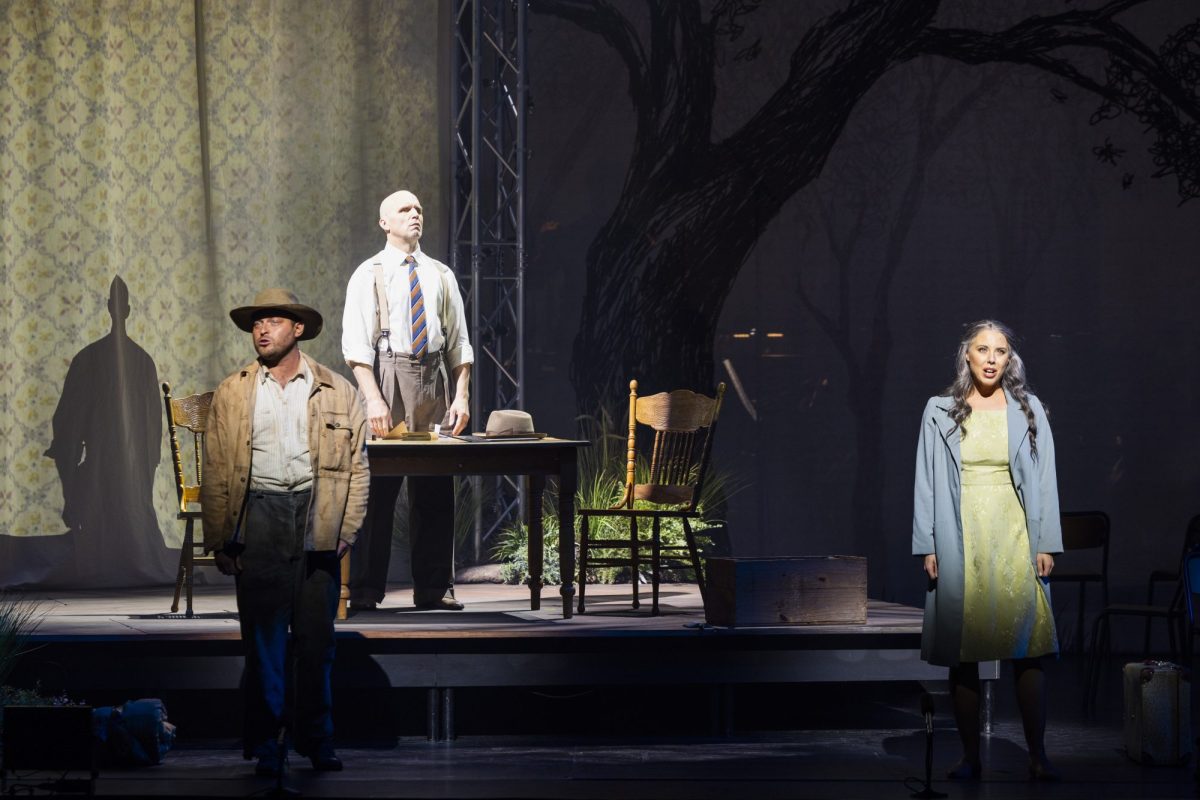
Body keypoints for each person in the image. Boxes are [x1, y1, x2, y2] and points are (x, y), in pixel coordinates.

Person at [202, 288, 369, 777]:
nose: (262, 329)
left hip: (316, 517)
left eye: (273, 320)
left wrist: (348, 529)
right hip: (260, 517)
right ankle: (269, 743)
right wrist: (222, 537)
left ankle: (316, 739)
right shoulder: (234, 390)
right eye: (257, 322)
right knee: (264, 643)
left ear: (297, 329)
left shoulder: (337, 389)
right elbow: (215, 467)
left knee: (317, 641)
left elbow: (358, 467)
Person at [912, 319, 1062, 782]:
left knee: (1027, 646)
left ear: (1009, 359)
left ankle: (1037, 754)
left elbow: (1044, 479)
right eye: (983, 349)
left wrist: (1046, 542)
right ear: (968, 356)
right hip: (960, 534)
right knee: (965, 649)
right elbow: (925, 481)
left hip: (1014, 532)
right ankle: (971, 757)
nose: (992, 358)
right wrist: (927, 543)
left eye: (1000, 351)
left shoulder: (1028, 408)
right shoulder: (940, 411)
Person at [342, 189, 473, 611]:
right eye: (404, 209)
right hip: (387, 379)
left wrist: (461, 395)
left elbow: (459, 342)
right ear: (385, 222)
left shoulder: (440, 274)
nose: (415, 214)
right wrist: (374, 400)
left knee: (434, 488)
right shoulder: (370, 273)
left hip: (431, 380)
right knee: (377, 490)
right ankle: (364, 589)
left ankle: (434, 589)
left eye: (419, 208)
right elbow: (355, 348)